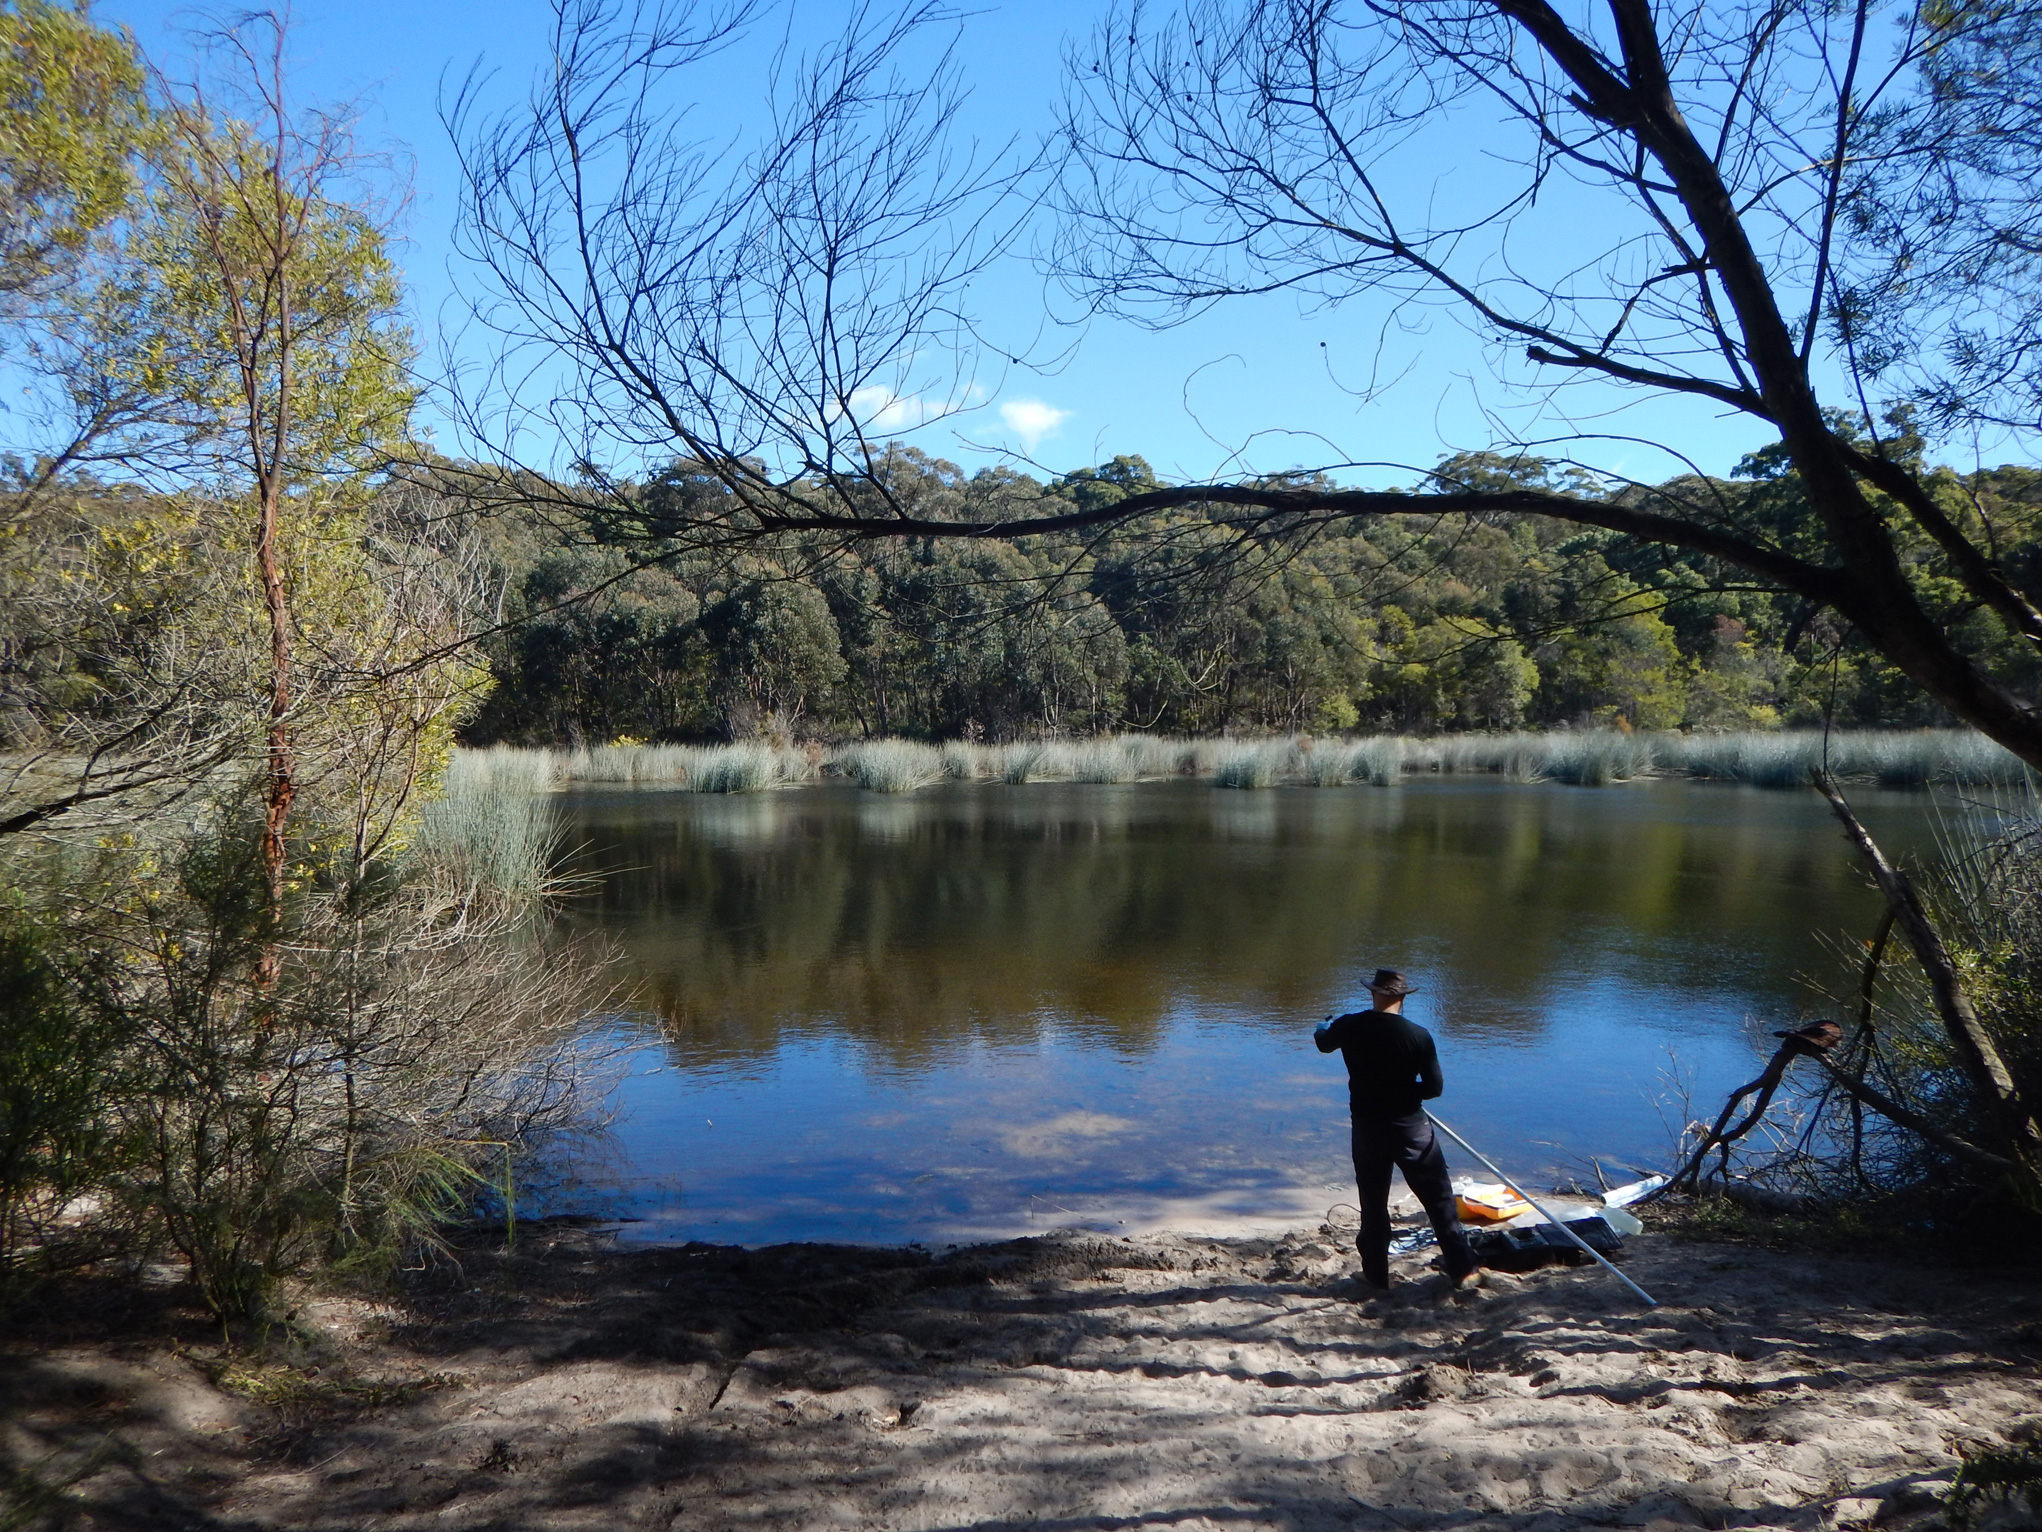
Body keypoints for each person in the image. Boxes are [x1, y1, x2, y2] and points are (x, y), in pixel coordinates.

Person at [1314, 968, 1477, 1291]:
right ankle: (1464, 1271)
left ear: (1373, 993)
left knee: (1373, 1205)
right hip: (1411, 1129)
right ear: (1402, 998)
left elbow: (1323, 1043)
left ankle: (1376, 1276)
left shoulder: (1349, 1025)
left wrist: (1323, 1027)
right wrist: (1403, 1092)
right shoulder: (1418, 1035)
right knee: (1439, 1200)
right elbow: (1433, 1089)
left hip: (1367, 1130)